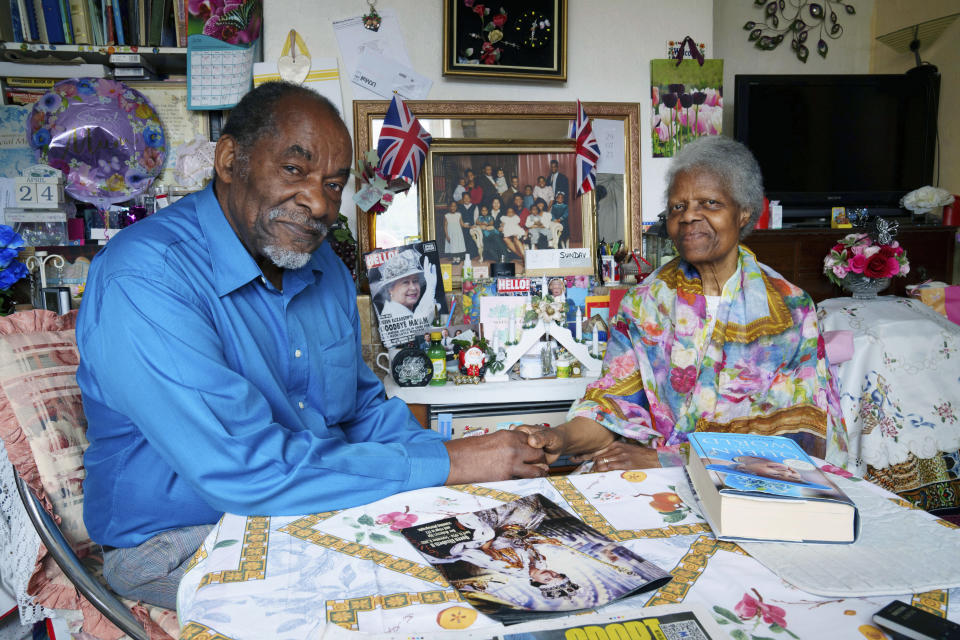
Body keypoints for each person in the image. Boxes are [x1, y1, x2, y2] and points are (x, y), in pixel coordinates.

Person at [76, 81, 547, 609]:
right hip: (176, 537)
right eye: (294, 170)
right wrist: (454, 463)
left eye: (334, 183)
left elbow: (362, 412)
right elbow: (244, 470)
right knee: (394, 598)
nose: (319, 202)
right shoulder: (146, 274)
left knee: (512, 554)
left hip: (312, 509)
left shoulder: (321, 267)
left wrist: (478, 456)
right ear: (231, 160)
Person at [523, 136, 849, 472]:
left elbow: (800, 438)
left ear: (744, 213)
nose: (689, 216)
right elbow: (614, 406)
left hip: (751, 490)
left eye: (709, 203)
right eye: (678, 206)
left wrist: (668, 459)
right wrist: (559, 437)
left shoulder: (789, 308)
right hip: (651, 478)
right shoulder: (644, 303)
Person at [370, 249, 437, 321]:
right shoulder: (393, 314)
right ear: (390, 289)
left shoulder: (404, 311)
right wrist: (430, 290)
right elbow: (419, 324)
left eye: (415, 281)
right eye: (405, 282)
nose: (413, 287)